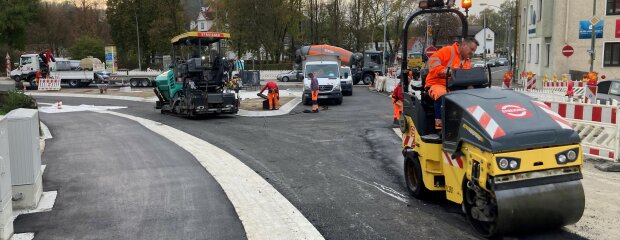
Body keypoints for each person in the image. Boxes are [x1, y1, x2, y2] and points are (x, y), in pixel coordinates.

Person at [425, 37, 478, 129]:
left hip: (454, 85)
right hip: (437, 83)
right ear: (464, 45)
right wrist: (445, 71)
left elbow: (467, 76)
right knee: (443, 95)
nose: (472, 53)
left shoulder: (467, 60)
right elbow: (432, 62)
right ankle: (440, 124)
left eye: (474, 51)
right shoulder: (448, 50)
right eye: (472, 49)